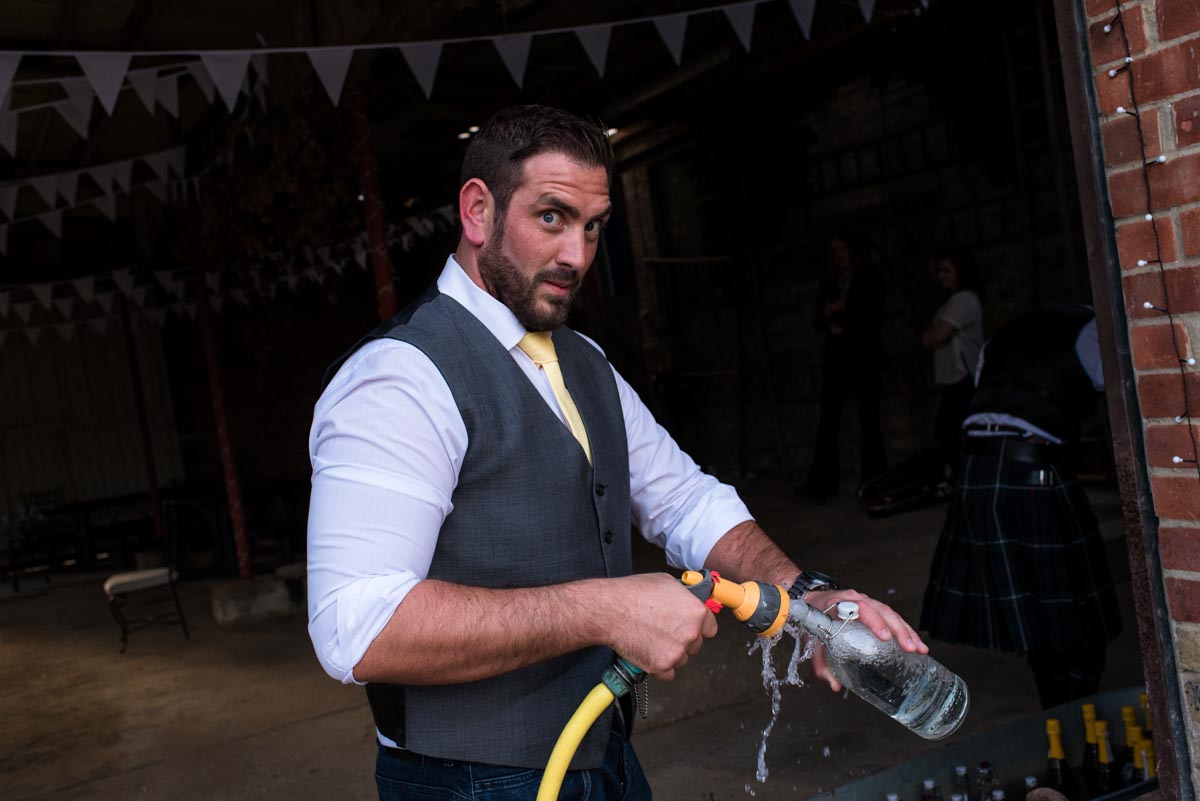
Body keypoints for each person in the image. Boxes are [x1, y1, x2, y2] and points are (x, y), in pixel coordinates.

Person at [306, 105, 926, 801]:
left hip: (602, 756)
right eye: (551, 217)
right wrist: (605, 609)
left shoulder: (585, 361)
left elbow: (684, 499)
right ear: (478, 211)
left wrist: (808, 596)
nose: (577, 254)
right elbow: (355, 626)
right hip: (467, 782)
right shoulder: (399, 377)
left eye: (593, 226)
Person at [920, 304, 1122, 709]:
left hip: (977, 472)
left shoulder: (1004, 335)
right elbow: (1124, 399)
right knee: (1072, 615)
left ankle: (1061, 710)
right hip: (1032, 471)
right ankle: (1072, 711)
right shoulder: (1093, 330)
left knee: (1041, 612)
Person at [802, 236, 887, 502]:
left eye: (843, 248)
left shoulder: (868, 277)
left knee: (869, 417)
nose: (839, 254)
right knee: (829, 418)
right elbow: (818, 319)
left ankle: (874, 482)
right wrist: (830, 316)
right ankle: (821, 486)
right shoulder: (831, 283)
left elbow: (873, 312)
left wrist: (845, 314)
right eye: (834, 250)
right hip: (837, 355)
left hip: (863, 354)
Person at [920, 253, 984, 474]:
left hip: (964, 375)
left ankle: (964, 476)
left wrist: (932, 335)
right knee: (949, 430)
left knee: (950, 430)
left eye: (947, 270)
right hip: (955, 377)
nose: (942, 276)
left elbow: (937, 336)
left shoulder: (964, 299)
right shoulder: (952, 302)